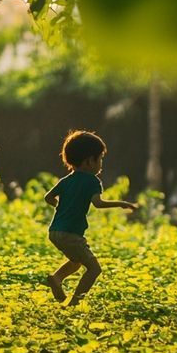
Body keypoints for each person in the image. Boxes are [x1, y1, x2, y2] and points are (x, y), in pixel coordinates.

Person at [42, 130, 138, 306]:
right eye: (99, 159)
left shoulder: (65, 180)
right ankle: (74, 304)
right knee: (94, 269)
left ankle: (56, 278)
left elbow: (48, 198)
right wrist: (121, 203)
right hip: (71, 234)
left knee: (76, 261)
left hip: (55, 231)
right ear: (88, 161)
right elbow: (98, 203)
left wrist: (61, 207)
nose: (101, 164)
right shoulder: (92, 181)